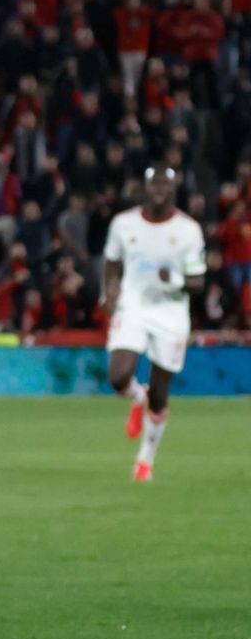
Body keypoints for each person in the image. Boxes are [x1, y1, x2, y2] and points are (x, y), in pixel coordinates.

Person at [102, 165, 205, 482]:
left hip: (170, 313)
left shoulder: (188, 230)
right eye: (154, 183)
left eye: (166, 184)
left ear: (175, 189)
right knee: (118, 376)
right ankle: (136, 395)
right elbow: (112, 261)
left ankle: (145, 460)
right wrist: (110, 291)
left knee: (160, 395)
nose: (159, 189)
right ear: (145, 187)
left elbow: (198, 281)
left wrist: (173, 279)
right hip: (133, 304)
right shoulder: (123, 223)